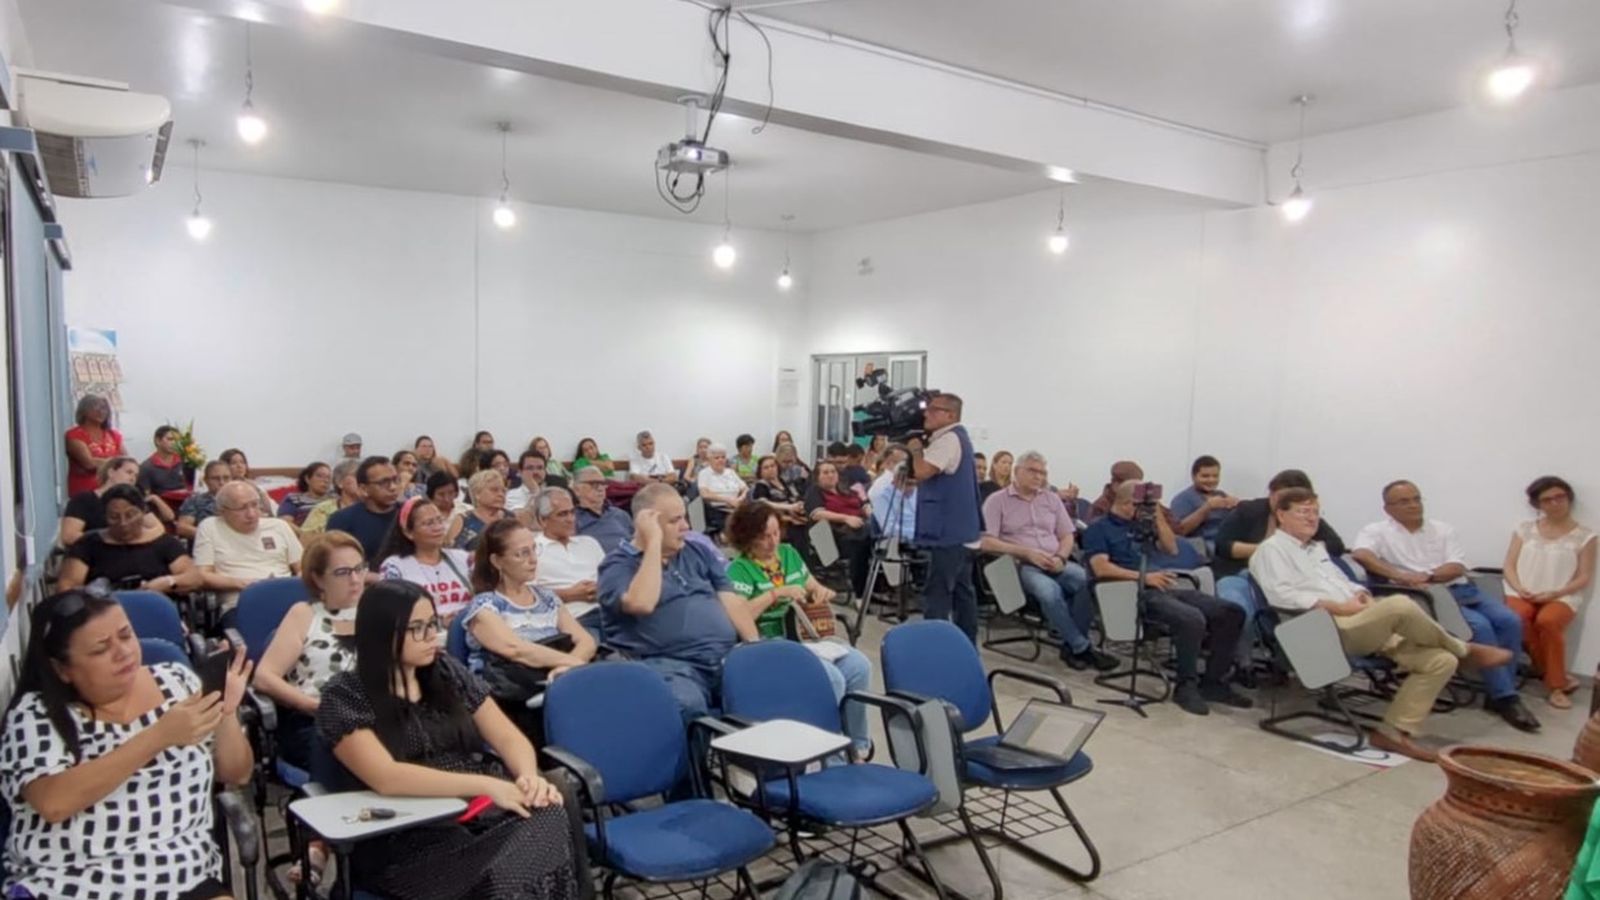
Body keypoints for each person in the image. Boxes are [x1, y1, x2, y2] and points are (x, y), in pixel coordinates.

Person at [315, 580, 581, 900]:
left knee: (548, 810)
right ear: (383, 633)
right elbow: (387, 777)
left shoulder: (444, 671)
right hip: (407, 834)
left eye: (433, 623)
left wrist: (526, 776)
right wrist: (486, 786)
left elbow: (508, 735)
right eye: (417, 628)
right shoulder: (345, 695)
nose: (431, 636)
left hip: (476, 814)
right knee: (513, 872)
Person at [1, 589, 253, 900]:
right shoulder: (37, 714)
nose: (123, 652)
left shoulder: (177, 681)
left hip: (183, 879)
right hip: (70, 884)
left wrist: (225, 712)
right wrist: (158, 736)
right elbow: (54, 803)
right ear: (62, 669)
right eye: (100, 649)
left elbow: (236, 773)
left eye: (126, 635)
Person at [1252, 488, 1513, 761]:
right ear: (1281, 515)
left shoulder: (1316, 548)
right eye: (1304, 512)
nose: (1312, 518)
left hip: (1361, 620)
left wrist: (1358, 593)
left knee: (1441, 660)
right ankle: (1465, 650)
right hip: (1323, 627)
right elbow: (1282, 595)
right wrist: (1341, 606)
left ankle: (1393, 732)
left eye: (1316, 512)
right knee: (1399, 604)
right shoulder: (1271, 550)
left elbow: (1340, 582)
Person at [1351, 480, 1539, 731]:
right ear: (1388, 508)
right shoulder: (1376, 531)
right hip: (1424, 596)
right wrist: (1400, 575)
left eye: (1416, 499)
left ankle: (1499, 691)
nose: (1413, 505)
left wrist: (1427, 575)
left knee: (1510, 621)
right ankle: (1506, 697)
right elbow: (1361, 555)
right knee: (1479, 627)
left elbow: (1456, 566)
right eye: (1404, 501)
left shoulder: (1442, 529)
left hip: (1459, 587)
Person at [1082, 480, 1250, 715]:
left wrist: (1156, 515)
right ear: (1129, 504)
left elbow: (1171, 549)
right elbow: (1101, 569)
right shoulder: (1098, 529)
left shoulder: (1143, 526)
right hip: (1127, 591)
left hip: (1159, 586)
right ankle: (1186, 686)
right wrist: (1144, 577)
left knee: (1231, 612)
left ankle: (1214, 681)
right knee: (1191, 619)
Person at [597, 484, 757, 718]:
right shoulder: (617, 565)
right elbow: (641, 603)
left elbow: (731, 601)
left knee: (770, 684)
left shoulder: (697, 552)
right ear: (646, 524)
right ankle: (705, 755)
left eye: (684, 517)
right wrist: (652, 544)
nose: (686, 527)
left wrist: (754, 647)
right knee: (686, 705)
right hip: (669, 666)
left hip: (724, 658)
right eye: (675, 521)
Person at [724, 503, 873, 752]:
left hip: (804, 636)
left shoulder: (789, 553)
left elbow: (812, 585)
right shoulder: (738, 570)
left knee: (859, 666)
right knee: (830, 677)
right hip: (771, 642)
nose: (772, 542)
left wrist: (821, 592)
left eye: (775, 533)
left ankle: (857, 746)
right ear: (747, 538)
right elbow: (739, 615)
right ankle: (825, 750)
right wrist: (775, 594)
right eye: (763, 537)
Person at [981, 451, 1117, 671]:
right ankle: (1082, 647)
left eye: (1042, 472)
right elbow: (986, 542)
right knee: (1049, 592)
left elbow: (1067, 535)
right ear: (1017, 472)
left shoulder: (1051, 499)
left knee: (1089, 582)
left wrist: (1061, 557)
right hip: (1022, 565)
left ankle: (1071, 644)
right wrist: (1025, 553)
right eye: (1032, 471)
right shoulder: (997, 501)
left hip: (1056, 560)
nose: (1038, 477)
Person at [252, 531, 362, 778]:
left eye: (359, 569)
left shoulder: (377, 610)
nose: (355, 579)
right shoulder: (304, 614)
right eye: (343, 572)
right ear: (319, 579)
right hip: (318, 721)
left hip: (376, 716)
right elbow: (264, 677)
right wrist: (313, 706)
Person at [1212, 470, 1348, 654]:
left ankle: (1306, 654)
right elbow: (1223, 546)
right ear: (1271, 493)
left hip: (1291, 575)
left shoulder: (1305, 516)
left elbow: (1336, 545)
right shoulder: (1248, 510)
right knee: (1240, 609)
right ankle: (1242, 659)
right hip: (1240, 572)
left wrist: (1303, 548)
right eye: (1282, 497)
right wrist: (1276, 550)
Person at [464, 520, 595, 706]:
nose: (533, 559)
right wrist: (574, 665)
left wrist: (567, 668)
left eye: (534, 549)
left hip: (556, 686)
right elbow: (517, 650)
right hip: (509, 701)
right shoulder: (485, 606)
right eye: (522, 553)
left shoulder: (547, 597)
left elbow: (585, 640)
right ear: (497, 561)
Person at [1503, 475, 1597, 710]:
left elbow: (1584, 576)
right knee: (1518, 619)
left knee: (1548, 621)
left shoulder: (1586, 536)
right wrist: (1519, 587)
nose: (1555, 503)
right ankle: (1556, 676)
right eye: (1547, 500)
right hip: (1520, 591)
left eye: (1560, 497)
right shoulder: (1524, 529)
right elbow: (1509, 565)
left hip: (1562, 594)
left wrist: (1554, 593)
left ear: (1569, 499)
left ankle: (1556, 686)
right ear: (1538, 504)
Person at [907, 393, 983, 641]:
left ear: (950, 415)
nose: (926, 414)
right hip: (961, 531)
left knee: (938, 593)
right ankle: (965, 645)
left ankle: (935, 646)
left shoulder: (948, 440)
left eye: (933, 410)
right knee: (962, 593)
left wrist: (916, 450)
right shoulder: (957, 438)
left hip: (948, 533)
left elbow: (922, 471)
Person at [57, 484, 199, 595]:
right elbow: (67, 586)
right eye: (114, 517)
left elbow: (193, 577)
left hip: (155, 608)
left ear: (143, 512)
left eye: (130, 515)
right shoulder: (88, 544)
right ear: (105, 517)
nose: (123, 523)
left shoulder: (164, 543)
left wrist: (168, 582)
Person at [195, 481, 304, 616]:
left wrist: (295, 586)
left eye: (255, 505)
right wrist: (243, 584)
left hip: (286, 600)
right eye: (242, 508)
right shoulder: (210, 527)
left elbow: (302, 568)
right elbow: (202, 575)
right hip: (240, 603)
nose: (251, 514)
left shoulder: (279, 526)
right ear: (222, 511)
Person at [379, 497, 475, 623]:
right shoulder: (395, 566)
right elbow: (393, 611)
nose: (438, 527)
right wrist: (438, 620)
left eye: (440, 520)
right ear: (409, 532)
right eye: (429, 523)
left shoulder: (462, 558)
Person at [530, 488, 606, 630]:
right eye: (562, 514)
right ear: (543, 520)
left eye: (572, 512)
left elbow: (611, 580)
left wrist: (601, 589)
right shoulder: (532, 551)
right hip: (572, 620)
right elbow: (526, 597)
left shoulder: (589, 543)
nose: (571, 519)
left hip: (608, 613)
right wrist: (568, 595)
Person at [61, 456, 172, 547]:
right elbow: (69, 536)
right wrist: (111, 538)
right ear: (111, 472)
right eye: (129, 472)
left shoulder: (134, 501)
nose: (132, 478)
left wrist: (135, 539)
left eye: (136, 475)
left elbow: (158, 528)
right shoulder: (83, 499)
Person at [805, 461, 874, 599]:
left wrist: (867, 509)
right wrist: (846, 518)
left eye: (833, 471)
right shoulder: (815, 491)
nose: (830, 475)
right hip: (836, 533)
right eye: (825, 472)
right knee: (860, 544)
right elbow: (816, 514)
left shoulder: (847, 490)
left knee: (876, 533)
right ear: (817, 477)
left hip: (861, 526)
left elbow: (864, 504)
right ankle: (860, 593)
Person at [327, 456, 403, 565]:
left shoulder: (410, 514)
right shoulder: (342, 520)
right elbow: (336, 565)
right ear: (364, 489)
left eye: (396, 480)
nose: (393, 487)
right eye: (384, 482)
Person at [64, 393, 126, 497]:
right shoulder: (75, 434)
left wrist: (114, 463)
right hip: (85, 493)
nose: (101, 411)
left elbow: (126, 460)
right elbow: (89, 463)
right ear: (84, 410)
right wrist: (116, 463)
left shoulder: (114, 435)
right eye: (96, 407)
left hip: (112, 493)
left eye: (104, 409)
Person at [1170, 455, 1239, 549]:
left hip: (1227, 540)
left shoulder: (1221, 495)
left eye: (1215, 476)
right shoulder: (1182, 499)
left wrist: (1238, 507)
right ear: (1194, 477)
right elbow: (1179, 531)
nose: (1211, 480)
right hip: (1203, 545)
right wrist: (1207, 507)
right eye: (1205, 476)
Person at [752, 455, 810, 549]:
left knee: (820, 526)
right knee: (799, 532)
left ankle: (829, 561)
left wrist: (800, 506)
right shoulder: (761, 485)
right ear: (760, 472)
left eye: (773, 466)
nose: (770, 469)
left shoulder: (785, 482)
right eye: (766, 467)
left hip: (797, 516)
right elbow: (762, 504)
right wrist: (789, 509)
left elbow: (796, 498)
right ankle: (800, 561)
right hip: (779, 520)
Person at [572, 467, 633, 553]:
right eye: (593, 484)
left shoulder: (620, 514)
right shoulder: (572, 518)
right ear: (577, 490)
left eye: (603, 483)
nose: (600, 488)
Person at [449, 469, 509, 553]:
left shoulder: (510, 518)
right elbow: (450, 553)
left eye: (503, 491)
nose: (501, 494)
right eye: (494, 490)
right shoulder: (464, 519)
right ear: (477, 494)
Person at [301, 459, 363, 537]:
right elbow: (305, 540)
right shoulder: (323, 509)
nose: (362, 481)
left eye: (364, 478)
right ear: (339, 482)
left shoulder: (372, 507)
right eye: (357, 476)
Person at [868, 446, 917, 544]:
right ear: (887, 463)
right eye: (901, 462)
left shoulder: (912, 483)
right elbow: (890, 530)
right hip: (904, 542)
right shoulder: (880, 490)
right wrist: (920, 534)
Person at [696, 444, 748, 534]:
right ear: (710, 460)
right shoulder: (704, 473)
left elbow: (745, 488)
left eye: (723, 457)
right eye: (717, 458)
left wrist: (740, 499)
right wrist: (728, 500)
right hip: (718, 510)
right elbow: (704, 494)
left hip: (737, 506)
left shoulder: (730, 472)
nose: (720, 460)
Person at [177, 460, 233, 541]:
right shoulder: (194, 501)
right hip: (207, 543)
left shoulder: (242, 499)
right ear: (206, 480)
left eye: (226, 478)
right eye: (216, 478)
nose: (222, 482)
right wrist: (213, 537)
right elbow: (182, 527)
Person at [218, 448, 275, 515]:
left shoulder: (254, 485)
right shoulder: (222, 486)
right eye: (233, 463)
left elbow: (268, 511)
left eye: (242, 462)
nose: (239, 466)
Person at [138, 424, 190, 495]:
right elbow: (146, 496)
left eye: (177, 440)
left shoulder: (186, 462)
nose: (175, 443)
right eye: (170, 439)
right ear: (158, 441)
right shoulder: (147, 467)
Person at [279, 462, 335, 526]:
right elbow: (285, 523)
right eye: (320, 476)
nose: (326, 480)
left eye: (328, 477)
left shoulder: (335, 498)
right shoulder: (293, 499)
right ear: (307, 479)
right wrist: (304, 534)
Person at [507, 451, 559, 515]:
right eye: (530, 468)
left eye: (540, 468)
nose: (535, 472)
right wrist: (535, 492)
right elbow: (523, 519)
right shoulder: (512, 495)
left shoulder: (554, 492)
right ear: (520, 472)